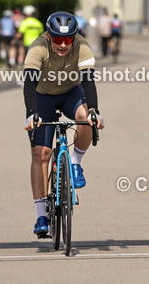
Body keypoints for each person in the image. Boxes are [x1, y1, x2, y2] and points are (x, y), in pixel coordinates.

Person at [22, 12, 105, 238]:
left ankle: (75, 163)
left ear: (74, 38)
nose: (62, 45)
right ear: (49, 36)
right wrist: (32, 114)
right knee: (41, 154)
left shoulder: (82, 46)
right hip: (43, 96)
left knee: (85, 118)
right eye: (57, 39)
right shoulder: (38, 47)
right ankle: (41, 215)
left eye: (67, 40)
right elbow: (29, 83)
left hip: (71, 92)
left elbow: (88, 81)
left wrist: (93, 111)